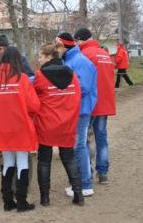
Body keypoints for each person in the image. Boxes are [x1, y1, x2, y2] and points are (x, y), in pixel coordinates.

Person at [0, 46, 40, 212]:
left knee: (7, 162)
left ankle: (7, 202)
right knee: (22, 161)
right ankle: (21, 201)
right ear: (17, 60)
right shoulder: (22, 80)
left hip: (0, 127)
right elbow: (34, 105)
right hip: (20, 126)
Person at [33, 43, 84, 207]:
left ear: (49, 57)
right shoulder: (72, 74)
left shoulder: (40, 76)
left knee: (44, 160)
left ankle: (45, 199)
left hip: (47, 123)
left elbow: (34, 97)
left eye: (40, 56)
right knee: (69, 158)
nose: (38, 60)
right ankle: (78, 195)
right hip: (67, 123)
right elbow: (77, 98)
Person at [56, 33, 97, 197]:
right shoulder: (70, 60)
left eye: (57, 46)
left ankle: (85, 184)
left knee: (78, 146)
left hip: (80, 110)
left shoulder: (79, 61)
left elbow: (84, 88)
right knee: (78, 145)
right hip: (74, 109)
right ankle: (79, 183)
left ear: (64, 46)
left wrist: (61, 91)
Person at [74, 28, 116, 186]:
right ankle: (103, 173)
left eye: (76, 41)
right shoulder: (104, 54)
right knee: (101, 139)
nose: (76, 44)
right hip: (105, 102)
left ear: (80, 40)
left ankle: (87, 172)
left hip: (90, 103)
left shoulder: (84, 55)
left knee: (83, 140)